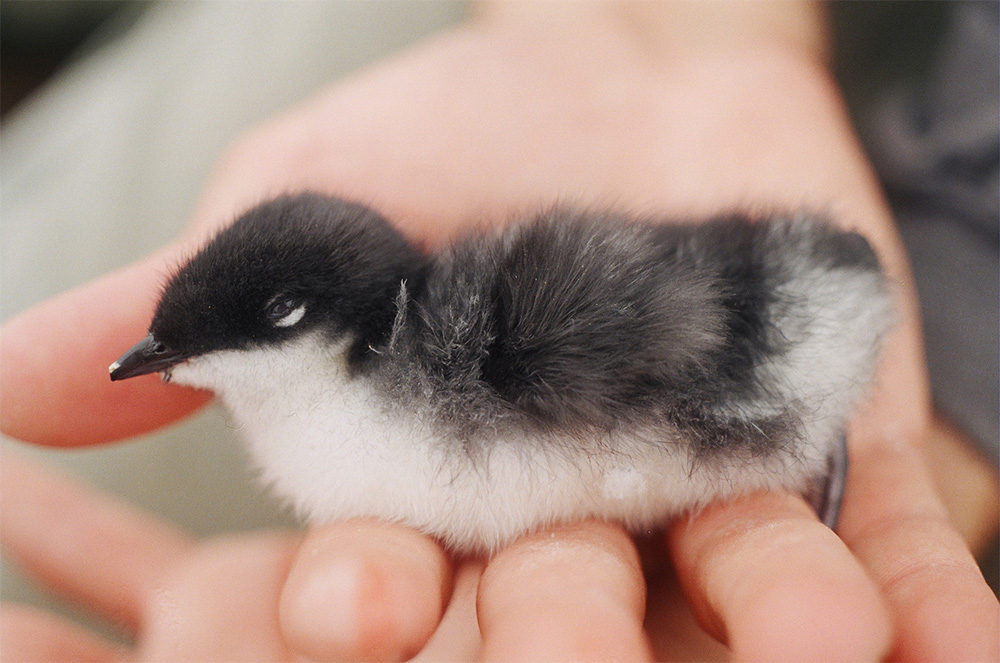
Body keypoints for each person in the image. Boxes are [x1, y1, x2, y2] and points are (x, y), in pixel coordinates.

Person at [1, 2, 996, 660]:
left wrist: (967, 291)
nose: (167, 363)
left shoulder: (465, 369)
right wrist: (657, 32)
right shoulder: (404, 379)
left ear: (319, 323)